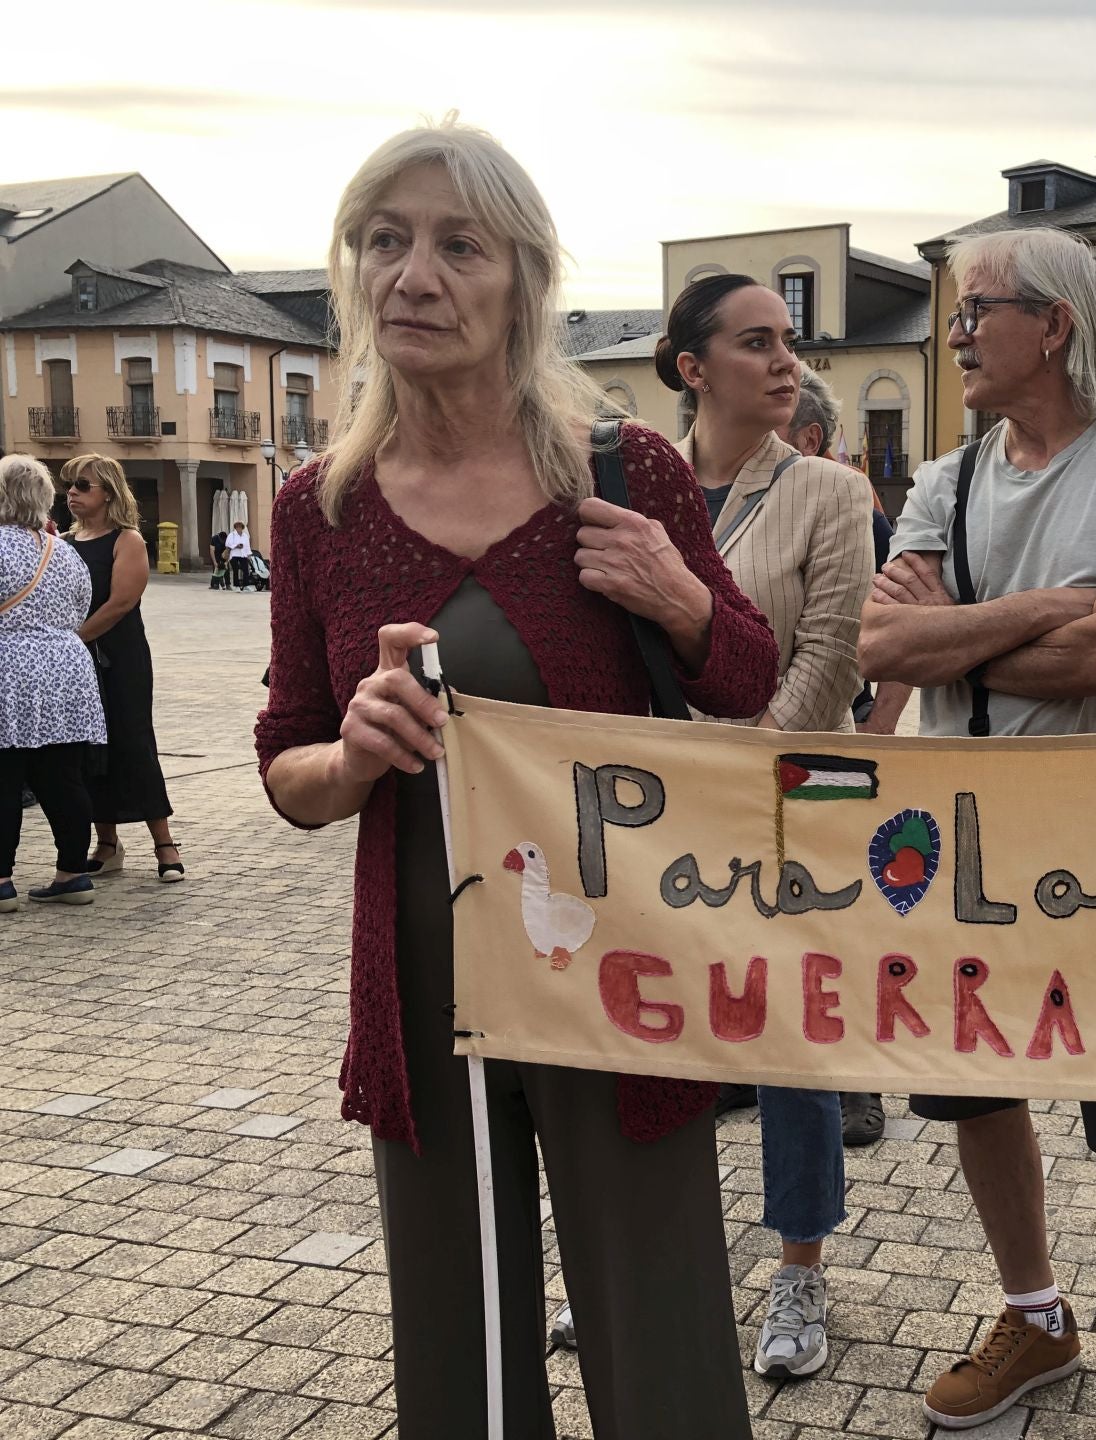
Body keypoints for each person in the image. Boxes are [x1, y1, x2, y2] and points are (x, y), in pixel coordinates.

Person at [253, 119, 776, 1439]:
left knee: (657, 1332)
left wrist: (678, 600)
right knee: (459, 1356)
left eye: (456, 246)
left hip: (619, 973)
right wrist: (352, 751)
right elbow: (289, 766)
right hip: (425, 982)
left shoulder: (621, 471)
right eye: (385, 242)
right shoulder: (323, 506)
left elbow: (747, 680)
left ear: (524, 282)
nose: (412, 275)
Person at [859, 225, 1096, 1432]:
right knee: (976, 1084)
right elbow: (881, 643)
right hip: (959, 827)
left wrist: (968, 622)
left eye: (975, 314)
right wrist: (1048, 607)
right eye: (955, 318)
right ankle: (1039, 1315)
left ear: (1053, 323)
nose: (955, 336)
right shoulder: (946, 477)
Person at [662, 271, 871, 1382]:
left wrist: (743, 770)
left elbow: (834, 655)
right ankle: (657, 1256)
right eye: (757, 344)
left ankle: (800, 1268)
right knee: (655, 1030)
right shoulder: (629, 486)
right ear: (693, 369)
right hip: (650, 816)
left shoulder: (831, 493)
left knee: (793, 1040)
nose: (787, 363)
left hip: (797, 799)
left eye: (790, 342)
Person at [780, 365, 897, 1143]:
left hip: (828, 743)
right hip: (745, 745)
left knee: (838, 918)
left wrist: (881, 732)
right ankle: (764, 1065)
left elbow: (878, 635)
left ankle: (861, 1084)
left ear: (810, 438)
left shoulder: (846, 501)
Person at [60, 454, 183, 884]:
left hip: (121, 655)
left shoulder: (126, 539)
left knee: (134, 743)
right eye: (69, 485)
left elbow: (121, 603)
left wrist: (73, 640)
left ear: (108, 492)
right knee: (91, 750)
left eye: (82, 485)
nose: (71, 492)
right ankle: (107, 844)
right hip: (78, 661)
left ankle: (164, 844)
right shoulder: (64, 542)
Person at [0, 454, 104, 910]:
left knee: (3, 777)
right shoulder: (62, 550)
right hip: (66, 668)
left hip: (9, 667)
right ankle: (72, 873)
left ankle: (2, 881)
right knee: (64, 776)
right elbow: (81, 607)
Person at [226, 519, 255, 590]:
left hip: (243, 555)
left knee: (245, 570)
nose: (238, 528)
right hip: (234, 555)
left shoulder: (245, 536)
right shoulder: (231, 535)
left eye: (240, 526)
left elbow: (247, 546)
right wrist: (236, 545)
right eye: (237, 526)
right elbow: (227, 544)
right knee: (235, 570)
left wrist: (249, 555)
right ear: (235, 527)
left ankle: (246, 585)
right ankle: (236, 586)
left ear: (242, 527)